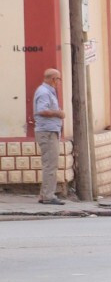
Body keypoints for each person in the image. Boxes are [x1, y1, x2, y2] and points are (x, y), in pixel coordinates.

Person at [32, 68, 65, 205]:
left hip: (50, 131)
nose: (59, 82)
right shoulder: (44, 92)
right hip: (47, 132)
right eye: (58, 79)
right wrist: (58, 113)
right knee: (50, 165)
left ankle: (44, 194)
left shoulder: (48, 91)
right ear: (53, 79)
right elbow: (42, 110)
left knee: (50, 164)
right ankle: (48, 196)